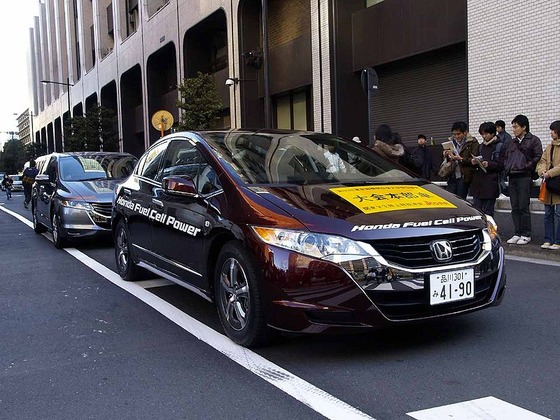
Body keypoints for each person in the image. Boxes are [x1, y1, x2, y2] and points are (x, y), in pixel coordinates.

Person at [503, 114, 542, 245]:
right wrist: (507, 167)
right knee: (514, 206)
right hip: (512, 175)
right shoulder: (512, 142)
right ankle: (517, 232)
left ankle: (526, 234)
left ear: (524, 127)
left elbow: (537, 157)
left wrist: (525, 166)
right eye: (513, 127)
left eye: (516, 127)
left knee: (523, 205)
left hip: (524, 176)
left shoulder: (534, 140)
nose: (513, 129)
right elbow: (507, 157)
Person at [469, 122, 504, 216]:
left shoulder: (499, 146)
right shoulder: (480, 146)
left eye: (486, 134)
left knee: (488, 213)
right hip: (478, 185)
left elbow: (502, 165)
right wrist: (474, 162)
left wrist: (489, 164)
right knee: (477, 212)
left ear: (493, 133)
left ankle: (489, 230)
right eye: (482, 134)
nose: (484, 136)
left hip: (490, 184)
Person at [535, 120, 560, 250]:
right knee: (548, 214)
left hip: (556, 183)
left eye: (552, 130)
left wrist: (549, 173)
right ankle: (548, 239)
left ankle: (558, 241)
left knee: (559, 214)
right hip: (548, 184)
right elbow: (542, 161)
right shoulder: (549, 147)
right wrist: (542, 171)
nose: (550, 132)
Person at [442, 121, 479, 199]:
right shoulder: (451, 142)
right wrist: (446, 155)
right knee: (450, 199)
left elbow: (475, 160)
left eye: (458, 134)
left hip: (464, 176)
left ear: (465, 132)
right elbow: (447, 159)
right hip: (452, 174)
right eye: (454, 134)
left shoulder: (472, 142)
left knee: (461, 199)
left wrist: (461, 159)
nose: (456, 136)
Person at [495, 120, 512, 195]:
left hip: (503, 160)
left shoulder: (507, 137)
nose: (496, 129)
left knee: (502, 178)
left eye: (497, 127)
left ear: (501, 127)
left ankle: (504, 191)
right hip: (498, 159)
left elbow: (507, 148)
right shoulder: (497, 136)